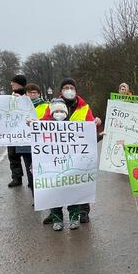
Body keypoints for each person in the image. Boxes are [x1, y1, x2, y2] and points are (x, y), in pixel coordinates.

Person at [40, 78, 102, 226]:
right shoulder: (52, 106)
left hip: (78, 152)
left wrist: (96, 125)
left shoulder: (84, 107)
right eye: (65, 87)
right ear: (61, 91)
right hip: (57, 152)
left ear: (75, 90)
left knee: (80, 181)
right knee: (56, 182)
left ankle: (83, 212)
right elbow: (43, 125)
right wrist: (34, 124)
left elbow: (90, 130)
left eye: (71, 87)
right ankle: (55, 214)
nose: (69, 90)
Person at [16, 83, 49, 194]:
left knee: (43, 169)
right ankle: (35, 195)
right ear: (25, 94)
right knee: (30, 170)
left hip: (42, 143)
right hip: (25, 143)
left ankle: (44, 194)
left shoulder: (46, 106)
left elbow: (49, 121)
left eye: (34, 92)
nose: (32, 94)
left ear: (39, 94)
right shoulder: (19, 106)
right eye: (29, 92)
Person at [7, 74, 30, 188]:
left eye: (13, 82)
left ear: (19, 83)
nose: (11, 84)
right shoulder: (11, 96)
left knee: (28, 157)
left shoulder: (28, 95)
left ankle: (31, 180)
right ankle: (16, 178)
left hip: (26, 132)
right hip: (13, 131)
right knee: (13, 155)